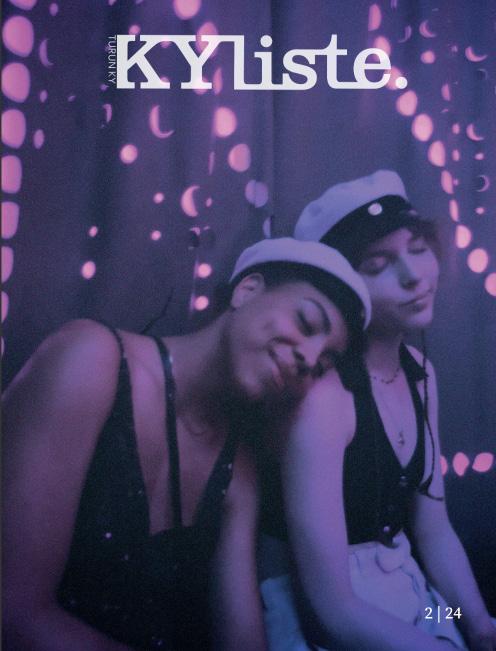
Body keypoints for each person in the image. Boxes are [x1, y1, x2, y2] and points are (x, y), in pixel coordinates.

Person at [2, 237, 371, 651]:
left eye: (323, 364)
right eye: (305, 322)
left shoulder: (237, 466)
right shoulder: (91, 359)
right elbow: (12, 615)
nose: (309, 358)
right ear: (247, 290)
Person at [259, 171, 496, 650]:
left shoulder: (421, 373)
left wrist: (478, 625)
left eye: (417, 248)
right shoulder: (324, 397)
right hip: (320, 613)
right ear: (344, 288)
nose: (414, 275)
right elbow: (333, 609)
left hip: (413, 597)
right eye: (378, 264)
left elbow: (434, 531)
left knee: (463, 620)